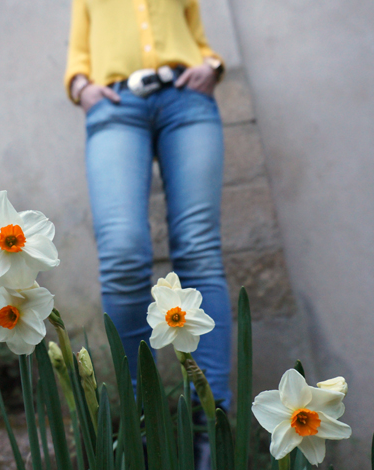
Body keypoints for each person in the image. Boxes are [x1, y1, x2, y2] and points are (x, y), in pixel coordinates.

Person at [64, 0, 232, 415]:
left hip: (187, 100)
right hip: (116, 104)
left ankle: (210, 423)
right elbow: (78, 54)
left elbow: (197, 36)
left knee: (198, 251)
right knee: (122, 252)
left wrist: (211, 65)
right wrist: (81, 87)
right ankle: (145, 422)